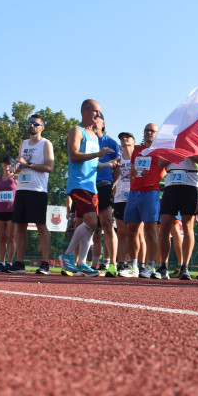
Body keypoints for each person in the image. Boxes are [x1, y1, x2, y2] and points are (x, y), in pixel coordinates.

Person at [61, 100, 113, 277]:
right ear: (85, 111)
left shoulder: (93, 136)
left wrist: (107, 164)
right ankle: (68, 254)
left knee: (90, 227)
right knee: (92, 223)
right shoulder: (77, 131)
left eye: (99, 112)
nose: (98, 115)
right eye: (95, 111)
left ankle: (82, 262)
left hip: (92, 187)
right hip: (79, 184)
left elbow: (93, 163)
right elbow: (75, 155)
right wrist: (98, 154)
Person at [9, 114, 55, 273]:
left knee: (41, 226)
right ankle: (20, 263)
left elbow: (49, 167)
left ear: (42, 127)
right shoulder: (23, 144)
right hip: (22, 189)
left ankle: (45, 263)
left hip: (38, 190)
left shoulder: (45, 143)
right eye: (30, 123)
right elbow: (19, 163)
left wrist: (27, 164)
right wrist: (16, 167)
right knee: (20, 227)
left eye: (35, 124)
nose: (32, 126)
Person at [122, 123, 165, 279]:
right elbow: (133, 171)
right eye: (146, 130)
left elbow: (164, 169)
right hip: (134, 192)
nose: (148, 133)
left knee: (150, 230)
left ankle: (150, 266)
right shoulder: (137, 150)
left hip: (151, 192)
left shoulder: (160, 151)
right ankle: (133, 266)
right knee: (131, 229)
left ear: (157, 134)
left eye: (152, 131)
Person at [156, 155, 198, 280]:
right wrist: (175, 152)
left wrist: (187, 152)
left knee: (188, 227)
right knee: (164, 227)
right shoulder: (170, 142)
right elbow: (160, 163)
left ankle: (185, 267)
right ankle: (163, 267)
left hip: (190, 183)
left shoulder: (194, 141)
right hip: (171, 184)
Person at [91, 113, 120, 277]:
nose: (94, 121)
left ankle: (112, 265)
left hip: (103, 186)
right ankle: (89, 264)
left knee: (107, 225)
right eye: (92, 118)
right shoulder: (86, 141)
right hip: (87, 187)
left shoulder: (111, 143)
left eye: (97, 119)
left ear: (103, 123)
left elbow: (117, 167)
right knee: (89, 227)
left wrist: (111, 184)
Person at [114, 131, 138, 277]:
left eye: (127, 137)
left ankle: (137, 264)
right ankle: (121, 263)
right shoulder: (117, 160)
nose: (124, 139)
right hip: (119, 199)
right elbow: (112, 180)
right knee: (121, 233)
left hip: (135, 197)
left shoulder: (139, 157)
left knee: (135, 233)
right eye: (122, 138)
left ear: (134, 141)